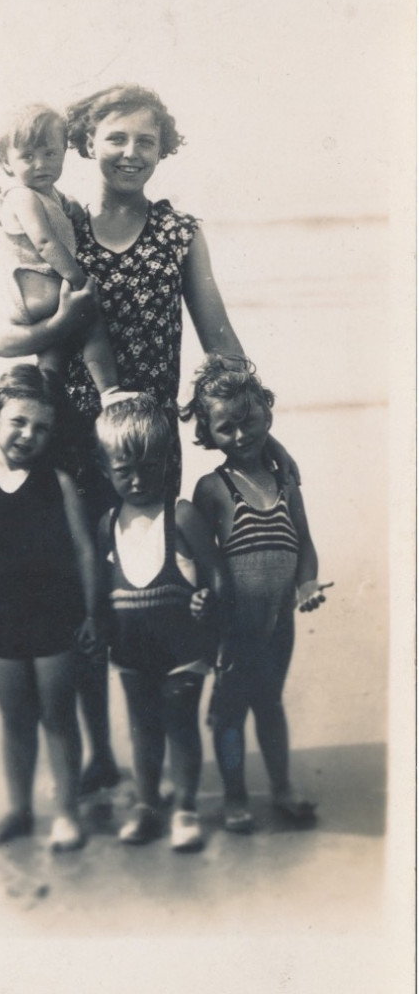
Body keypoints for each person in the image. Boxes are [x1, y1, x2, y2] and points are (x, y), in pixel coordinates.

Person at [0, 83, 256, 796]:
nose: (131, 151)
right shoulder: (57, 220)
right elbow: (7, 336)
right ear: (86, 144)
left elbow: (219, 338)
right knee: (83, 597)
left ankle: (162, 756)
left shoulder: (179, 231)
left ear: (164, 148)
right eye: (116, 137)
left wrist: (248, 426)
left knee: (158, 591)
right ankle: (100, 755)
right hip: (72, 435)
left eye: (146, 139)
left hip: (147, 442)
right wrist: (59, 327)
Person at [0, 365, 98, 852]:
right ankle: (18, 809)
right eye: (18, 421)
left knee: (58, 717)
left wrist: (94, 614)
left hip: (57, 621)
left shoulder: (58, 483)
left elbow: (85, 554)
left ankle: (68, 813)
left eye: (41, 427)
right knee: (14, 721)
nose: (28, 434)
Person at [181, 355, 330, 832]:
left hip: (278, 619)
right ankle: (235, 797)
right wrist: (201, 599)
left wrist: (307, 583)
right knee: (230, 710)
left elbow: (304, 544)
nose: (241, 435)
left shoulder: (287, 483)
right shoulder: (213, 488)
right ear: (208, 435)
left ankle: (283, 788)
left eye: (248, 421)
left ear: (267, 414)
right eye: (226, 429)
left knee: (271, 702)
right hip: (233, 623)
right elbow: (203, 560)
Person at [95, 395, 232, 850]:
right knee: (143, 728)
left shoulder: (184, 515)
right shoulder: (106, 523)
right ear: (105, 468)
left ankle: (187, 808)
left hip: (183, 650)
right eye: (123, 471)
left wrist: (208, 601)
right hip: (130, 651)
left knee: (180, 724)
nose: (137, 481)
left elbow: (216, 574)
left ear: (169, 462)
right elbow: (97, 586)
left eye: (149, 468)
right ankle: (146, 804)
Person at [0, 103, 122, 401]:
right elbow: (45, 243)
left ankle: (48, 395)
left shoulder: (47, 193)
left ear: (63, 152)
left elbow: (63, 207)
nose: (40, 164)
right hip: (41, 286)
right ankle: (110, 390)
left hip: (37, 295)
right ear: (7, 162)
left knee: (53, 348)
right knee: (91, 319)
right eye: (27, 156)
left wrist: (71, 205)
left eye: (50, 154)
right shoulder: (21, 196)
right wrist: (77, 279)